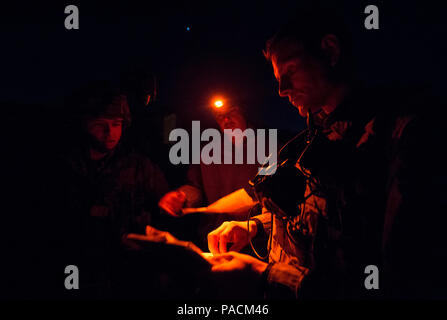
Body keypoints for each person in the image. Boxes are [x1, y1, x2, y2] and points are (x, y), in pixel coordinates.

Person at [206, 9, 447, 299]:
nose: (282, 90)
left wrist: (266, 276)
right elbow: (316, 216)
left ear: (330, 52)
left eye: (290, 71)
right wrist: (255, 227)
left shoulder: (403, 136)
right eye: (278, 78)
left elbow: (402, 281)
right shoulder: (309, 141)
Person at [42, 81, 170, 298]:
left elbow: (163, 207)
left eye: (116, 124)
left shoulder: (139, 166)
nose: (110, 132)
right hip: (79, 268)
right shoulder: (61, 167)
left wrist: (171, 201)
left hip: (129, 270)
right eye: (100, 124)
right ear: (83, 123)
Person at [158, 99, 260, 249]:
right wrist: (182, 196)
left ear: (244, 112)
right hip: (214, 238)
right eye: (219, 115)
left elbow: (277, 194)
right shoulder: (208, 151)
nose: (226, 119)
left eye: (231, 111)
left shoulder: (268, 148)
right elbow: (195, 186)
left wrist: (253, 212)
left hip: (254, 239)